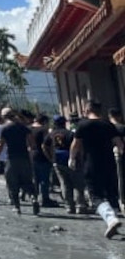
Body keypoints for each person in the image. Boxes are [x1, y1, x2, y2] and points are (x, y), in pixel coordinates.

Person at [69, 101, 124, 238]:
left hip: (92, 164)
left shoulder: (83, 125)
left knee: (95, 195)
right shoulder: (108, 124)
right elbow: (119, 143)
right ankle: (113, 221)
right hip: (109, 163)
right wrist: (120, 152)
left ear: (87, 109)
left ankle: (111, 219)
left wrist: (72, 158)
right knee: (112, 192)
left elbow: (75, 145)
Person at [0, 107, 40, 215]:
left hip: (11, 158)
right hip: (24, 158)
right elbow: (32, 143)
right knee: (27, 181)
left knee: (12, 183)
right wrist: (31, 150)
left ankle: (17, 207)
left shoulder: (5, 129)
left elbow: (0, 143)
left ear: (4, 117)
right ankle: (33, 198)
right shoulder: (23, 127)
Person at [43, 115, 88, 215]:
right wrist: (80, 158)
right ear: (64, 123)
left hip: (58, 161)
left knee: (65, 184)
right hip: (71, 160)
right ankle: (80, 206)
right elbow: (77, 146)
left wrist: (50, 158)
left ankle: (69, 206)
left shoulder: (51, 134)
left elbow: (44, 146)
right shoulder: (70, 133)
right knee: (77, 184)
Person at [31, 115, 56, 207]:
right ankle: (45, 199)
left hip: (32, 156)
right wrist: (50, 158)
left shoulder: (29, 129)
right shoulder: (43, 131)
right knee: (44, 179)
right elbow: (44, 145)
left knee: (35, 179)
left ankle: (34, 197)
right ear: (44, 122)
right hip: (42, 157)